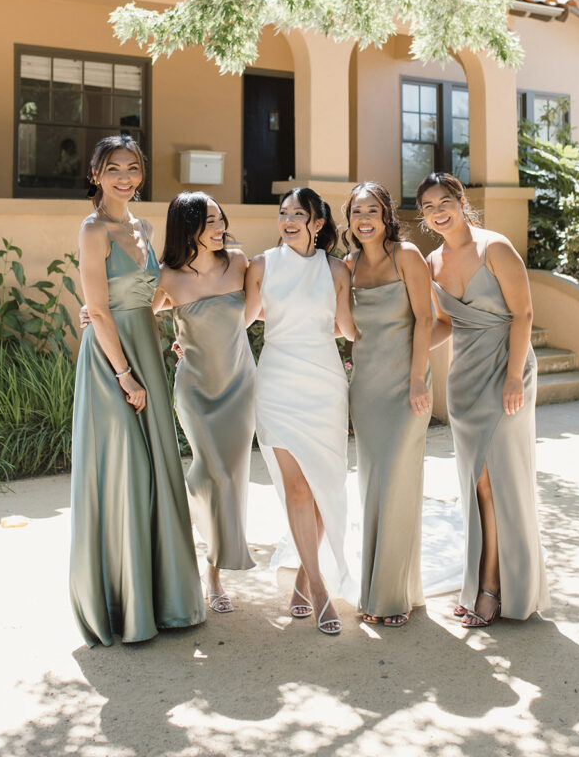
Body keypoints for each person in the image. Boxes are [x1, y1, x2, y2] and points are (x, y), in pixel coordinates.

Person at [70, 134, 204, 647]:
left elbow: (148, 299)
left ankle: (164, 600)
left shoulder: (144, 227)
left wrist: (164, 332)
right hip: (112, 361)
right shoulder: (93, 229)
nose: (124, 177)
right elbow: (99, 308)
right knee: (127, 473)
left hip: (144, 347)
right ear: (96, 175)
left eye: (132, 168)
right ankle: (124, 608)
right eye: (113, 169)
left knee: (156, 469)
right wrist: (124, 373)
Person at [417, 172, 549, 627]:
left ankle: (493, 587)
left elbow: (524, 313)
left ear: (460, 201)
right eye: (428, 207)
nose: (437, 212)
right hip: (465, 379)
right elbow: (444, 324)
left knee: (498, 482)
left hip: (507, 371)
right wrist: (406, 355)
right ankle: (480, 580)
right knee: (476, 484)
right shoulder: (432, 261)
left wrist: (514, 377)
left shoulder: (495, 247)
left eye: (443, 201)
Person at [245, 187, 356, 635]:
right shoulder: (260, 265)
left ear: (317, 222)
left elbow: (348, 329)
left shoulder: (336, 270)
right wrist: (188, 334)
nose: (288, 220)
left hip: (325, 383)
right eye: (282, 213)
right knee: (296, 490)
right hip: (277, 382)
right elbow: (241, 318)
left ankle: (303, 582)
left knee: (324, 486)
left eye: (298, 214)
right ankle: (320, 589)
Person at [153, 192, 256, 613]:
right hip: (195, 389)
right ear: (186, 226)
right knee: (209, 472)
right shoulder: (168, 276)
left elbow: (254, 312)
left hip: (239, 385)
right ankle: (210, 568)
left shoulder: (239, 262)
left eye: (219, 220)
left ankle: (213, 565)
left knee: (230, 475)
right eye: (208, 221)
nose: (218, 228)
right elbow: (139, 313)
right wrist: (94, 312)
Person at [342, 182, 433, 627]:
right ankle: (387, 587)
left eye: (372, 210)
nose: (365, 218)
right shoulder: (348, 265)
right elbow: (336, 324)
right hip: (367, 388)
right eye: (357, 210)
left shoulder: (407, 256)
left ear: (386, 216)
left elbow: (427, 319)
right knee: (374, 486)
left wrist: (418, 379)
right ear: (350, 219)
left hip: (406, 385)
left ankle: (391, 595)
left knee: (397, 481)